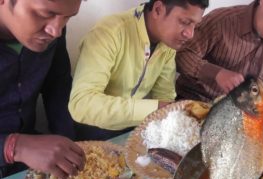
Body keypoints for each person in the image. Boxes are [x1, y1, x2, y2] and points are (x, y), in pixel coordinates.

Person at [68, 0, 209, 140]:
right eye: (185, 22)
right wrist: (155, 108)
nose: (190, 34)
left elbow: (164, 95)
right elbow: (82, 104)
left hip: (135, 127)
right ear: (158, 9)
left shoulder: (167, 42)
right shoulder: (110, 32)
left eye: (195, 25)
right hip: (95, 128)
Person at [0, 0, 85, 179]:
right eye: (45, 14)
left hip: (30, 162)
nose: (56, 31)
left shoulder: (52, 33)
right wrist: (15, 146)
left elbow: (57, 86)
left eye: (67, 18)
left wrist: (68, 145)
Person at [176, 0, 263, 104]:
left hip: (241, 108)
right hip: (196, 101)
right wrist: (217, 73)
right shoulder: (221, 21)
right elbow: (182, 55)